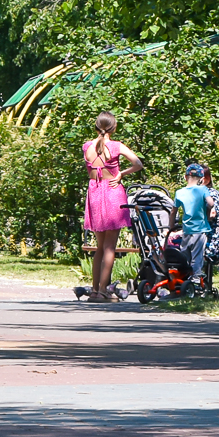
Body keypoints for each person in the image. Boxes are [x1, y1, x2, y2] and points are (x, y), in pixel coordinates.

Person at [82, 111, 143, 302]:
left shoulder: (87, 147)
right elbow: (138, 164)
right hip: (112, 192)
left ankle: (94, 291)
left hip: (94, 192)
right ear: (113, 127)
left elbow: (90, 171)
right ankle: (104, 291)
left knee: (100, 247)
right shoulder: (116, 146)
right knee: (110, 247)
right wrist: (121, 174)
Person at [168, 163, 215, 285]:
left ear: (185, 177)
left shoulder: (179, 192)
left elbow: (173, 211)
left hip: (186, 230)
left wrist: (171, 227)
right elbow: (210, 204)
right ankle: (195, 281)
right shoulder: (203, 189)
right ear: (201, 179)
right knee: (197, 257)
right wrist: (209, 210)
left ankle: (183, 279)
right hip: (200, 229)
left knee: (185, 256)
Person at [201, 166, 219, 264]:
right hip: (217, 242)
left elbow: (211, 216)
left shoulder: (209, 195)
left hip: (211, 243)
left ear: (206, 180)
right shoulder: (214, 193)